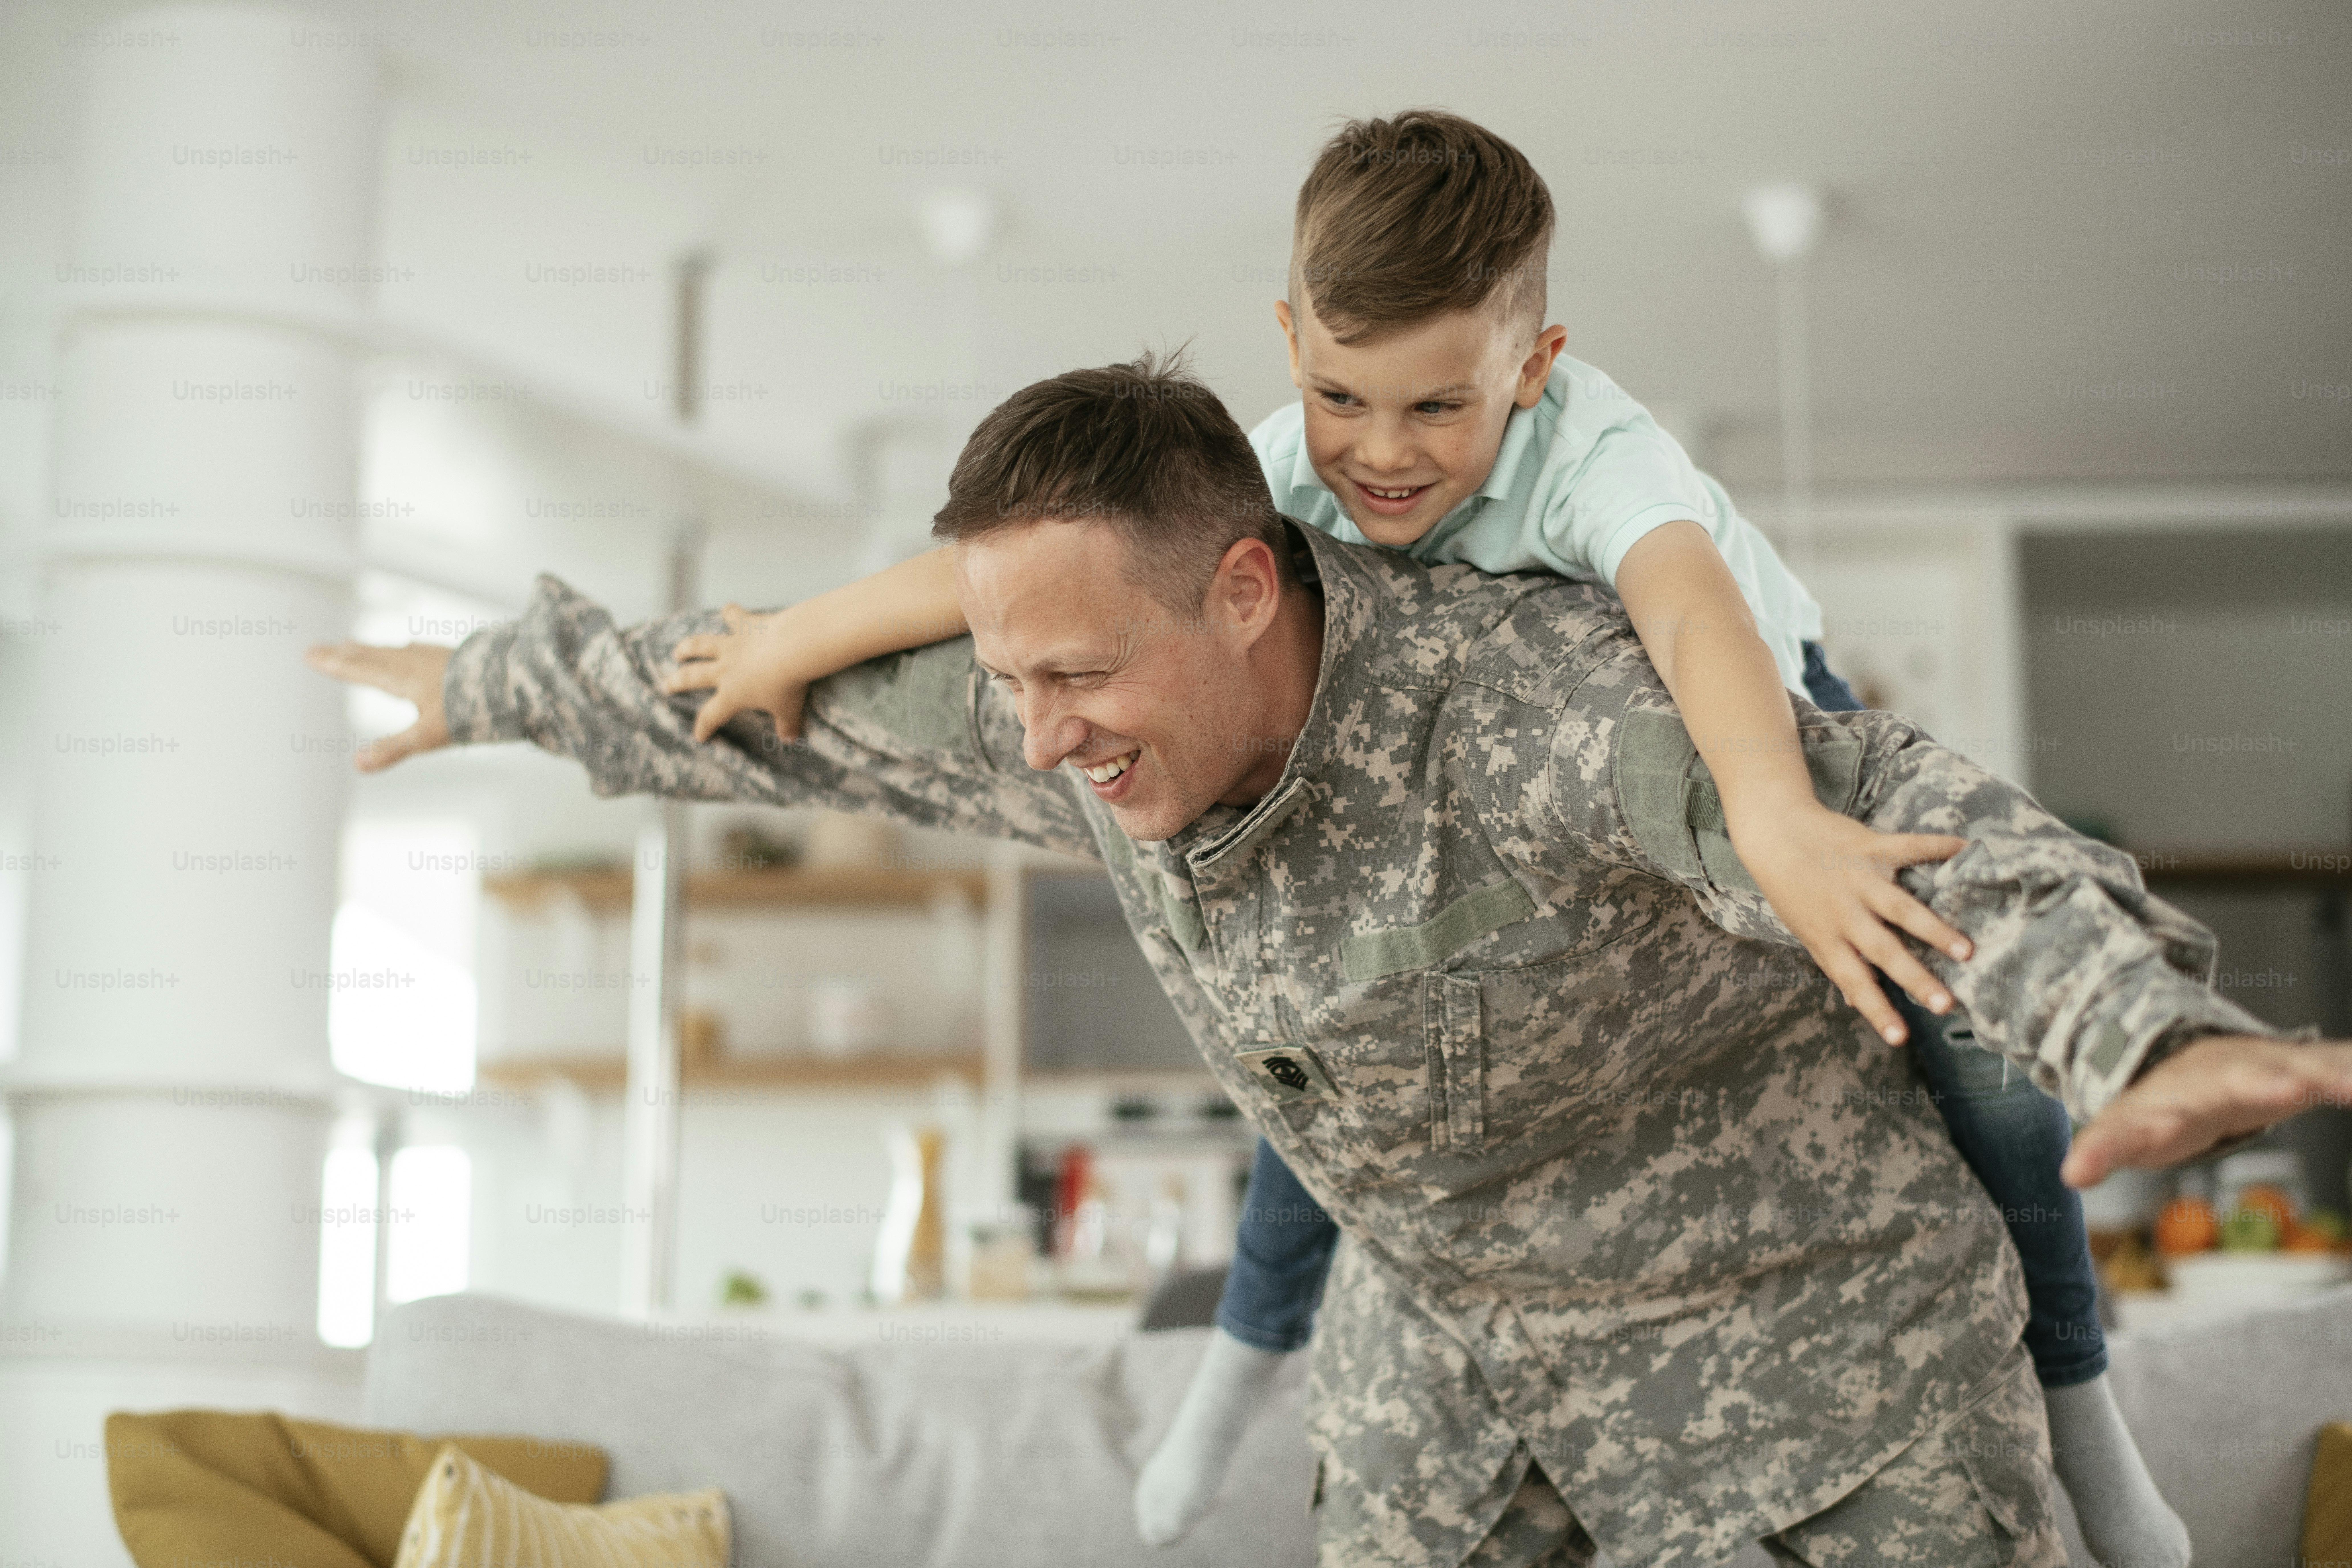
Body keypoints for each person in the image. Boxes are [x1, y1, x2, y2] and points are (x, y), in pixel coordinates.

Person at [308, 353, 2345, 1567]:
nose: (1040, 738)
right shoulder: (1063, 709)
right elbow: (761, 701)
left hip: (1815, 1380)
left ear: (1243, 588)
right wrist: (486, 683)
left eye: (1081, 676)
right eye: (1012, 681)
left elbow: (1913, 821)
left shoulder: (1538, 709)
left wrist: (2140, 1032)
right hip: (1448, 1406)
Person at [594, 110, 2171, 1563]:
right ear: (1292, 344)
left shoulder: (1600, 455)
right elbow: (997, 572)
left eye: (1439, 406)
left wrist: (1776, 817)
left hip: (1750, 713)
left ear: (1534, 365)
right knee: (1340, 1088)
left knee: (1972, 1055)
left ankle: (2081, 1398)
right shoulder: (1281, 470)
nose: (1385, 453)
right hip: (1470, 790)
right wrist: (787, 638)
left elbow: (1693, 617)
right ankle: (1238, 1365)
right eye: (1344, 396)